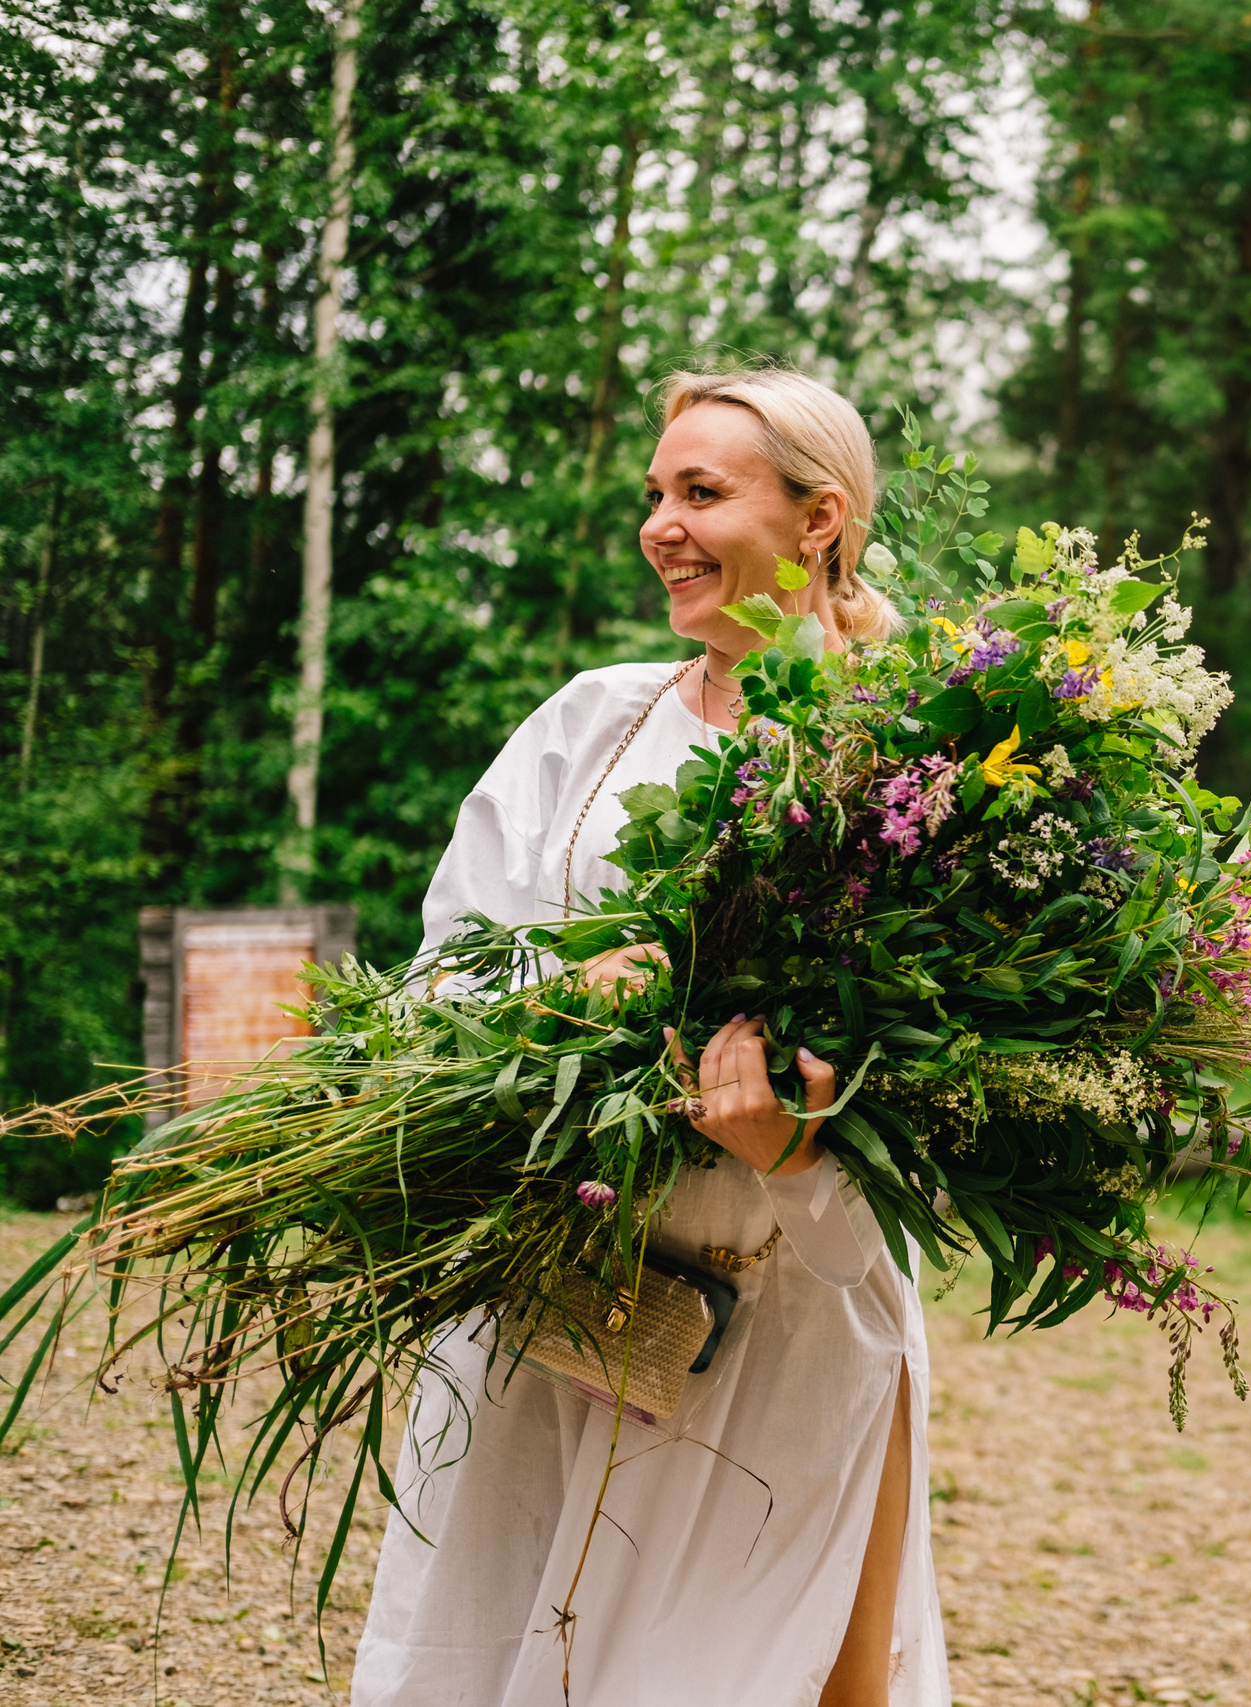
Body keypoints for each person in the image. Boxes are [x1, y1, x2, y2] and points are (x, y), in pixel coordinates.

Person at [350, 367, 947, 1707]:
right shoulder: (586, 726)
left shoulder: (926, 767)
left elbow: (953, 1110)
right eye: (656, 494)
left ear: (819, 517)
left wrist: (798, 1158)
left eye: (703, 491)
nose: (661, 525)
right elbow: (441, 969)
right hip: (553, 1298)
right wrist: (558, 1001)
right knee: (502, 1651)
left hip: (782, 1331)